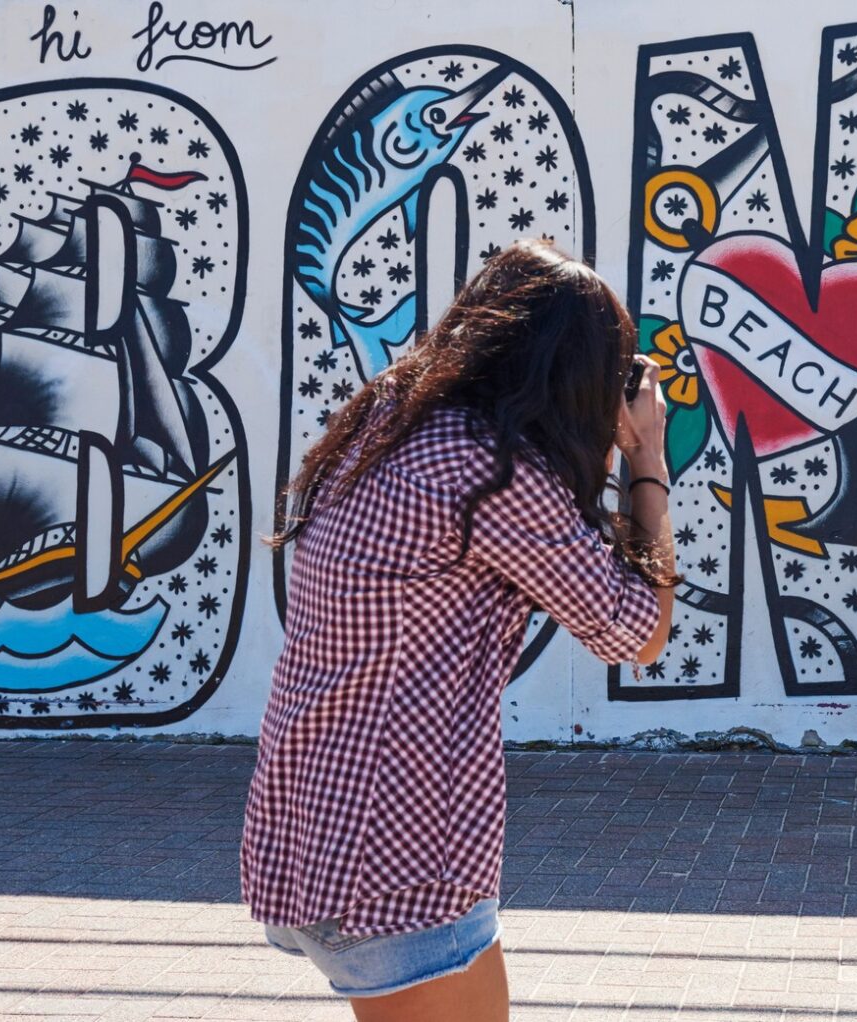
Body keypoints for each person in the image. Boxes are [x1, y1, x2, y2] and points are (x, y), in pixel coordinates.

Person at [241, 241, 677, 1020]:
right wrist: (647, 462)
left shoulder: (392, 414)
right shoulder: (492, 469)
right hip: (396, 859)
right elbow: (635, 632)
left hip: (313, 819)